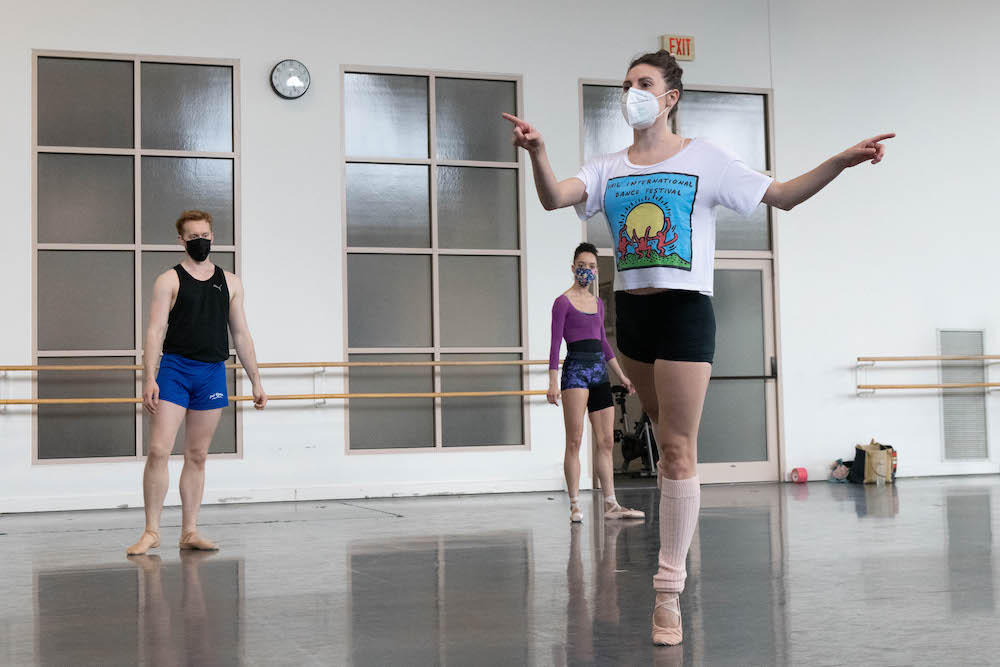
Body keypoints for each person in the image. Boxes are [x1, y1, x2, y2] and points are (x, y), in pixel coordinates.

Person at [506, 49, 893, 645]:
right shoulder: (609, 166)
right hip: (632, 312)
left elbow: (784, 195)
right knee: (664, 446)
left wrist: (839, 161)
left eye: (644, 83)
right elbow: (556, 197)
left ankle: (668, 591)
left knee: (681, 450)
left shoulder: (706, 159)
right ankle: (670, 567)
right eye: (626, 84)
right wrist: (538, 154)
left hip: (686, 310)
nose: (631, 92)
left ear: (669, 97)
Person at [127, 210, 267, 556]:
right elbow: (155, 331)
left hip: (212, 372)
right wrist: (149, 379)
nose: (199, 241)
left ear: (212, 236)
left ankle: (189, 531)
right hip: (175, 370)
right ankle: (151, 531)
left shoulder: (231, 282)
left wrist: (256, 381)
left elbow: (241, 334)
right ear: (181, 240)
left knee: (198, 455)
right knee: (159, 450)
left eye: (204, 235)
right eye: (192, 237)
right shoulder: (168, 280)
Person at [550, 242, 644, 524]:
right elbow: (555, 345)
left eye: (592, 267)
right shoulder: (562, 302)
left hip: (599, 372)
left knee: (604, 440)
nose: (587, 271)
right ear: (573, 268)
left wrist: (622, 375)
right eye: (582, 266)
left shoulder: (599, 304)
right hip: (576, 371)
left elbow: (603, 342)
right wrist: (553, 382)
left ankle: (610, 503)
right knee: (575, 440)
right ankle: (575, 504)